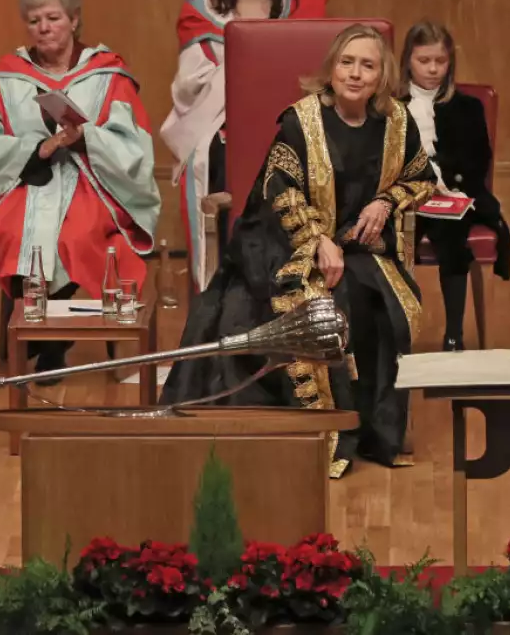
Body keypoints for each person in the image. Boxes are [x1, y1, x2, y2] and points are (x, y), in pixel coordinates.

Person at [160, 24, 436, 479]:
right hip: (286, 242)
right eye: (347, 62)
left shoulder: (397, 123)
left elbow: (421, 177)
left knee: (386, 304)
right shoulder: (301, 120)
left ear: (382, 74)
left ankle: (376, 431)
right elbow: (277, 190)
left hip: (361, 247)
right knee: (320, 302)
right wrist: (316, 241)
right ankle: (322, 433)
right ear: (332, 68)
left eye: (367, 65)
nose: (355, 73)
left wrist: (386, 202)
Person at [0, 0, 161, 373]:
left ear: (74, 19)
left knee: (76, 234)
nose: (44, 28)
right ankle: (35, 332)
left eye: (53, 18)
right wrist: (37, 147)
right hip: (25, 180)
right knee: (9, 232)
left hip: (93, 183)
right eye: (34, 21)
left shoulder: (107, 74)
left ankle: (51, 341)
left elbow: (133, 143)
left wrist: (85, 138)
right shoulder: (9, 75)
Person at [160, 0, 327, 293]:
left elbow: (317, 73)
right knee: (224, 163)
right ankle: (229, 294)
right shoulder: (202, 11)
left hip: (290, 125)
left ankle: (295, 291)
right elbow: (190, 84)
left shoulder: (306, 6)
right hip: (227, 131)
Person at [398, 20, 510, 350]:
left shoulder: (468, 108)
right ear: (408, 60)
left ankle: (453, 335)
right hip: (405, 198)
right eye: (424, 61)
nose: (433, 69)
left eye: (440, 61)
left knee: (451, 234)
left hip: (454, 198)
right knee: (392, 236)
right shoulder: (390, 106)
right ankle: (395, 332)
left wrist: (450, 188)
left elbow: (478, 161)